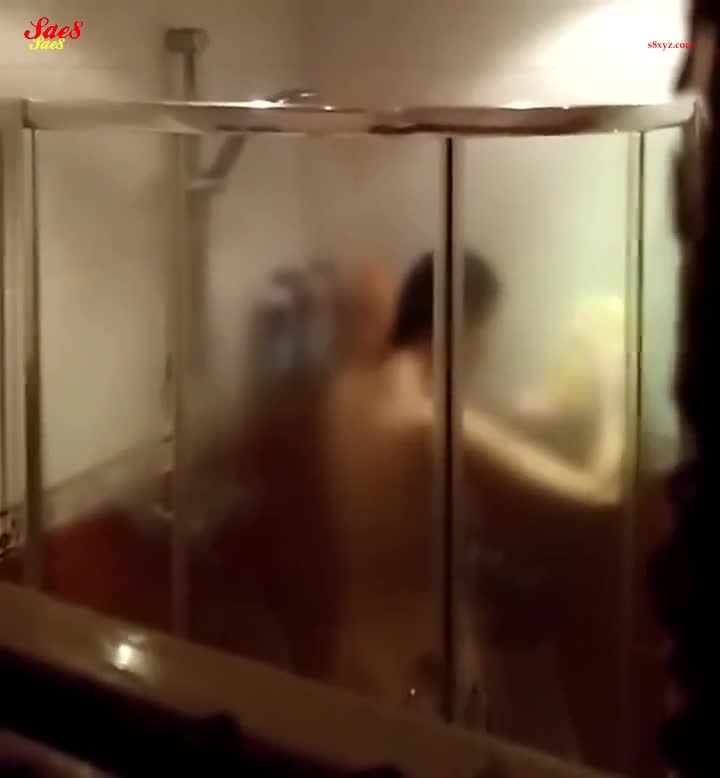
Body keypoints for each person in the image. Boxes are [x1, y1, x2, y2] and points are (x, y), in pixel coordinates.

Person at [320, 249, 625, 718]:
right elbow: (597, 490)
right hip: (421, 681)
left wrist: (537, 408)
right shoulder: (431, 426)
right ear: (466, 329)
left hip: (354, 666)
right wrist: (614, 390)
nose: (490, 350)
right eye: (489, 334)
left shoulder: (345, 392)